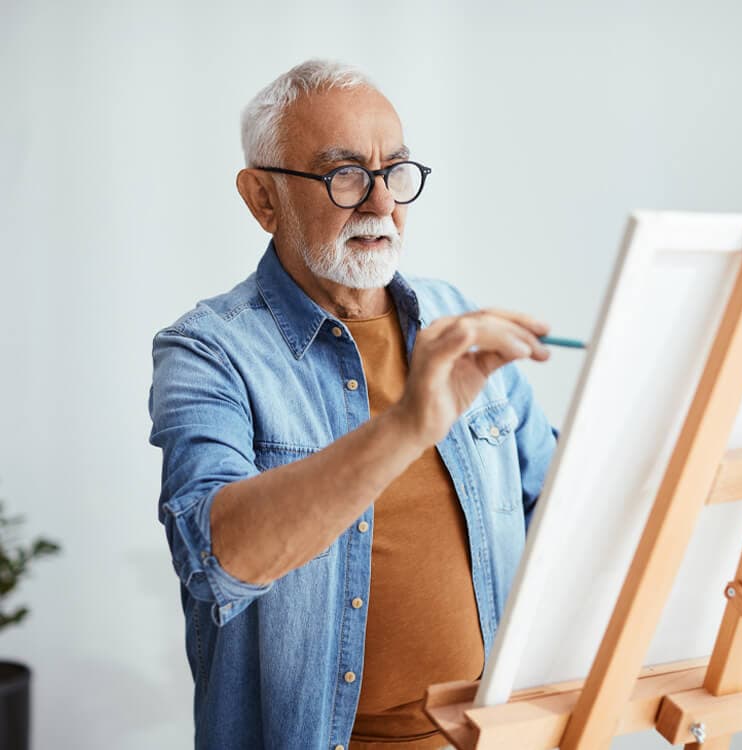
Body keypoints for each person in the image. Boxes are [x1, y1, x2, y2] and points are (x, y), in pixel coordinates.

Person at [148, 59, 558, 750]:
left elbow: (554, 504)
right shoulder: (206, 351)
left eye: (395, 171)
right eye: (344, 175)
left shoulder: (457, 318)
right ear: (263, 198)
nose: (380, 203)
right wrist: (405, 428)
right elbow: (218, 559)